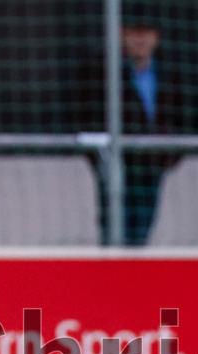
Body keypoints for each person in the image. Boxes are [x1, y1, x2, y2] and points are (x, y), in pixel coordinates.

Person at [73, 11, 184, 246]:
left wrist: (170, 156)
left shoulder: (169, 74)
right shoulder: (103, 72)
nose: (140, 40)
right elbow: (87, 117)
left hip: (152, 167)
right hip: (117, 167)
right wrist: (100, 159)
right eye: (135, 33)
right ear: (123, 35)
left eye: (146, 33)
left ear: (156, 37)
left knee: (141, 233)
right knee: (115, 233)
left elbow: (180, 116)